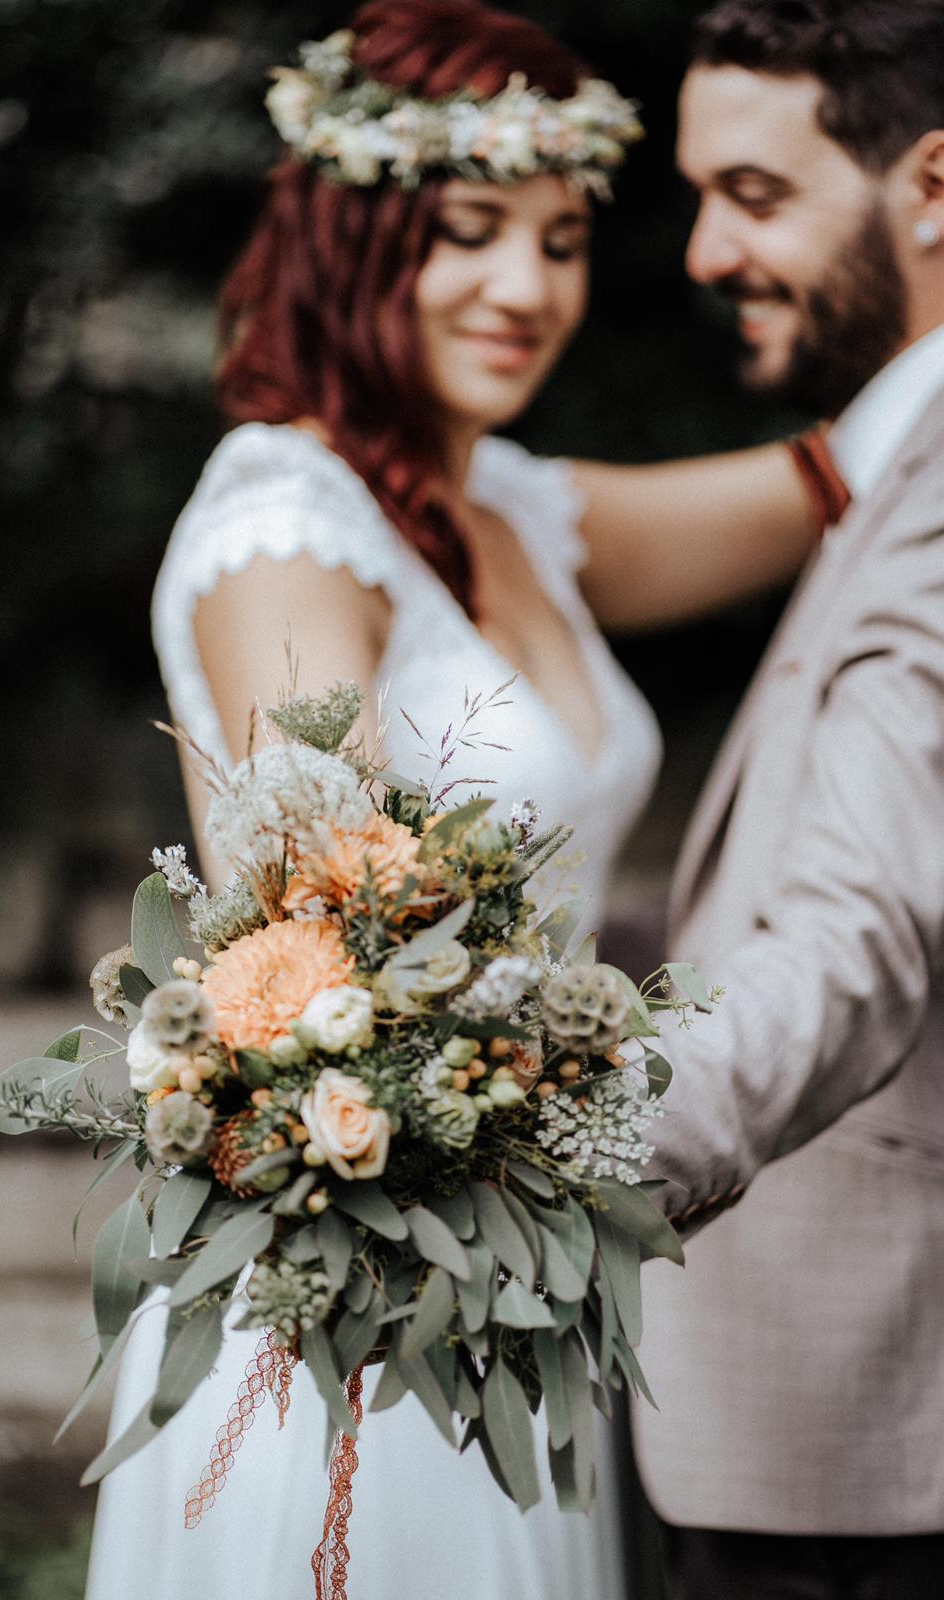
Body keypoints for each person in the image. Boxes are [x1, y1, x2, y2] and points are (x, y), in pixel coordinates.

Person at [85, 4, 839, 1596]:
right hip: (361, 1286)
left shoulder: (504, 503)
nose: (527, 288)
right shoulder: (288, 519)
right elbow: (337, 960)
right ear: (350, 239)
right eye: (468, 234)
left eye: (563, 240)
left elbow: (829, 484)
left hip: (507, 1260)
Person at [630, 3, 944, 1596]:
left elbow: (857, 934)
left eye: (755, 194)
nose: (699, 250)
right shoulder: (883, 472)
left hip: (867, 1441)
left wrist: (570, 1134)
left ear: (933, 187)